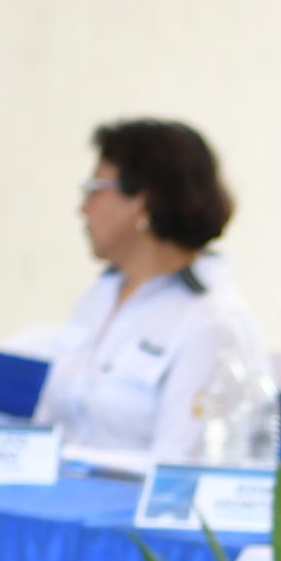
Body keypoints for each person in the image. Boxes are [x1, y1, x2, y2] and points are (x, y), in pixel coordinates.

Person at [34, 118, 265, 465]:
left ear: (144, 202)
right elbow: (46, 427)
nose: (84, 209)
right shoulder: (100, 297)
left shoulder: (210, 321)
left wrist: (71, 462)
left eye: (96, 190)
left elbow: (176, 470)